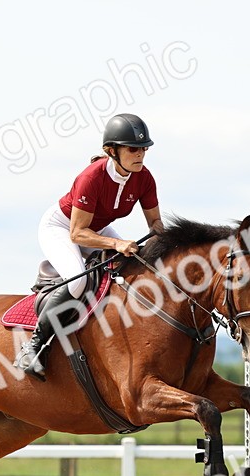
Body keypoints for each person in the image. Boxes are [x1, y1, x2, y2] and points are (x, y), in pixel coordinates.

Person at [15, 113, 165, 380]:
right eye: (133, 149)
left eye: (144, 148)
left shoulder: (144, 178)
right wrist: (117, 243)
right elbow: (77, 233)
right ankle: (33, 347)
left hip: (96, 229)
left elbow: (156, 226)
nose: (140, 154)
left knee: (130, 268)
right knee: (77, 283)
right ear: (111, 151)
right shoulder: (92, 177)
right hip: (62, 228)